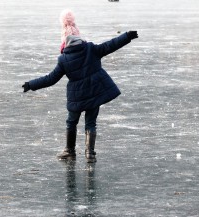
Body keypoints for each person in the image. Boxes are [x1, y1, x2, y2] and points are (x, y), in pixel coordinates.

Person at [22, 10, 138, 163]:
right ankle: (90, 154)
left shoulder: (64, 59)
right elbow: (110, 45)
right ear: (78, 37)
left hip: (76, 97)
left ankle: (70, 151)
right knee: (90, 123)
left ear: (64, 42)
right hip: (94, 93)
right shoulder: (91, 49)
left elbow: (51, 78)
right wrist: (127, 36)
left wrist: (31, 85)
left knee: (71, 122)